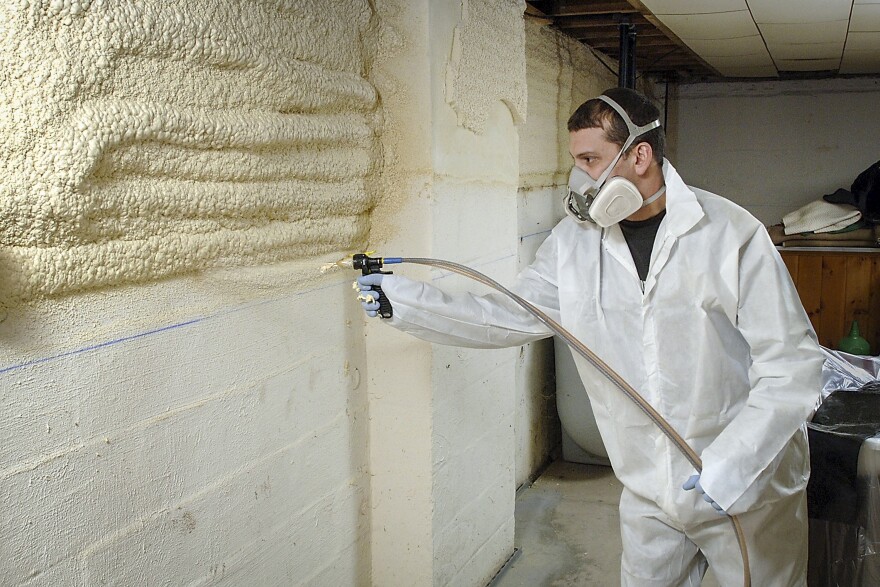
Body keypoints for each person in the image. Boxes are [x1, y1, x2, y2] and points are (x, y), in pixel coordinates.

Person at [356, 87, 823, 586]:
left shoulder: (731, 235)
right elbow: (509, 314)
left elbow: (791, 367)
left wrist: (733, 466)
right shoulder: (573, 244)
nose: (581, 177)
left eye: (590, 159)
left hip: (748, 489)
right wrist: (405, 304)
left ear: (640, 155)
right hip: (649, 491)